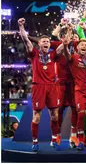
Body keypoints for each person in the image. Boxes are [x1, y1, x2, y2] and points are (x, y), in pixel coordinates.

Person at [18, 18, 61, 151]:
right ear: (39, 43)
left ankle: (54, 139)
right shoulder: (34, 53)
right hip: (38, 86)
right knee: (36, 116)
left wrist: (64, 28)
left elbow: (63, 45)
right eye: (43, 41)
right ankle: (35, 141)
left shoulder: (53, 55)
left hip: (52, 86)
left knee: (55, 115)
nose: (46, 43)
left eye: (48, 41)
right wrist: (21, 26)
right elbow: (25, 39)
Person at [61, 38, 86, 150]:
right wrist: (66, 46)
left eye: (85, 45)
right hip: (80, 90)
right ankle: (81, 139)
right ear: (77, 47)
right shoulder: (73, 57)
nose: (84, 46)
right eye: (81, 45)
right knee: (81, 114)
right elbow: (67, 55)